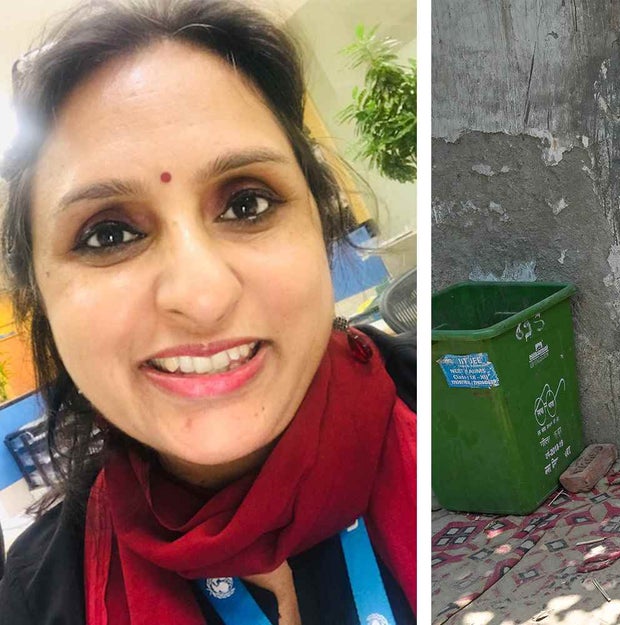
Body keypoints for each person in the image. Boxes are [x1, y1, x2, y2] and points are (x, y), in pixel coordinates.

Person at [0, 2, 417, 624]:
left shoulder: (446, 404)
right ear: (41, 298)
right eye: (109, 235)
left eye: (247, 204)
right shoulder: (35, 597)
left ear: (321, 220)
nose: (202, 296)